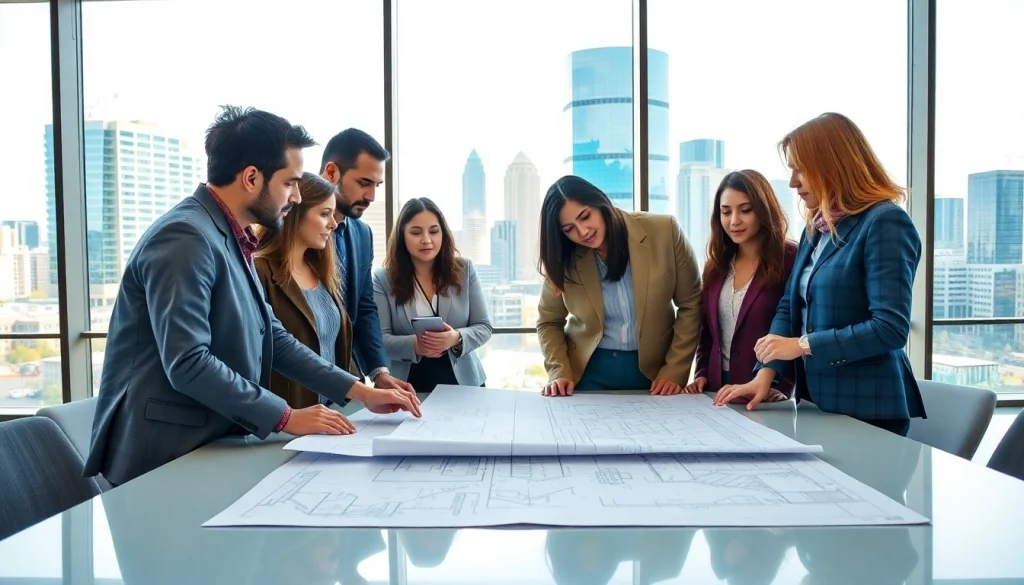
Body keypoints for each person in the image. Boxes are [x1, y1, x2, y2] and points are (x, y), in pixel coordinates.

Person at [84, 107, 420, 487]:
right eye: (290, 183)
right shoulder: (186, 236)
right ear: (251, 178)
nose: (296, 196)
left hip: (208, 448)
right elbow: (189, 362)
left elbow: (273, 336)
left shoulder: (230, 236)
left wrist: (360, 391)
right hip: (164, 459)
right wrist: (286, 417)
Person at [716, 112, 926, 436]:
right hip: (816, 406)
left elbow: (890, 328)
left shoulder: (885, 222)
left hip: (870, 410)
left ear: (833, 164)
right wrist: (765, 374)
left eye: (801, 169)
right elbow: (789, 305)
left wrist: (802, 344)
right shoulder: (817, 229)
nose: (793, 182)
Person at [536, 175, 702, 395]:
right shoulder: (564, 257)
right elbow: (548, 322)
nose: (583, 231)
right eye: (569, 229)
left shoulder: (665, 231)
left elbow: (691, 304)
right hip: (585, 375)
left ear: (600, 202)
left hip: (656, 375)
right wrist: (559, 371)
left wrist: (674, 370)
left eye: (585, 216)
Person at [687, 170, 797, 406]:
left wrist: (784, 385)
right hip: (717, 390)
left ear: (763, 210)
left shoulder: (789, 258)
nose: (734, 221)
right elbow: (707, 331)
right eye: (726, 212)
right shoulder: (716, 266)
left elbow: (793, 324)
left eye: (745, 210)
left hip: (766, 390)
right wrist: (701, 372)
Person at [319, 128, 412, 394]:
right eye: (364, 183)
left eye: (376, 186)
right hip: (296, 383)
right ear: (331, 172)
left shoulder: (362, 234)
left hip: (348, 376)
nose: (371, 196)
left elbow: (364, 305)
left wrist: (379, 371)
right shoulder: (288, 226)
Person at [253, 172, 353, 409]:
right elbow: (275, 349)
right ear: (295, 214)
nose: (334, 223)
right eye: (324, 214)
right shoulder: (259, 271)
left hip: (332, 413)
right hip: (289, 419)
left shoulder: (320, 269)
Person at [373, 198, 492, 393]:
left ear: (443, 234)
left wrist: (456, 337)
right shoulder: (383, 279)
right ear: (402, 235)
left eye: (434, 231)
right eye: (416, 232)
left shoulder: (464, 270)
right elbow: (380, 339)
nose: (427, 240)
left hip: (465, 384)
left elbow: (484, 327)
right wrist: (417, 345)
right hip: (407, 385)